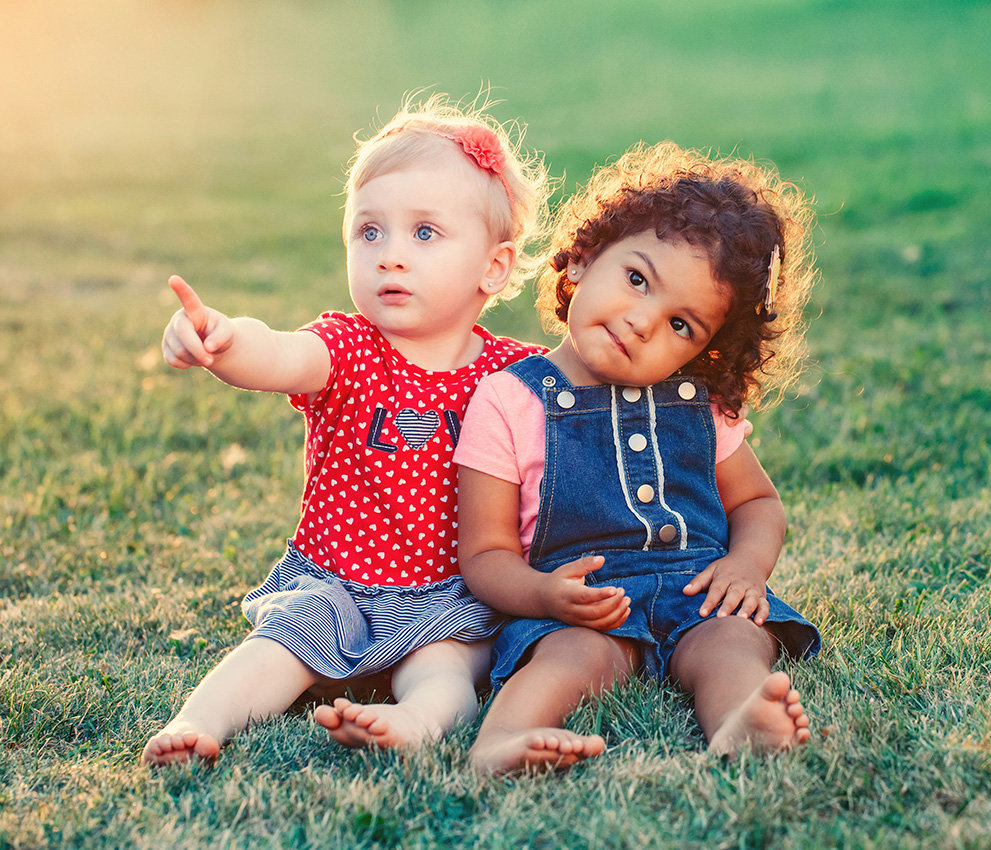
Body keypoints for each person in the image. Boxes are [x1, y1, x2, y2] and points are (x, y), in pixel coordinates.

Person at [141, 94, 550, 765]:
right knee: (273, 650)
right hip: (335, 586)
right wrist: (222, 338)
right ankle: (199, 723)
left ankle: (414, 722)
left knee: (451, 668)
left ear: (494, 267)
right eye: (370, 232)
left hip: (448, 595)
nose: (390, 255)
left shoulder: (513, 375)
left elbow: (588, 403)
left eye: (424, 233)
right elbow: (275, 353)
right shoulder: (348, 346)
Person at [455, 141, 822, 774]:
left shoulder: (699, 407)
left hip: (697, 590)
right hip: (584, 602)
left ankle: (739, 724)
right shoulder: (510, 401)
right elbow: (483, 556)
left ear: (706, 351)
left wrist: (746, 566)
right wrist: (545, 597)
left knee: (734, 640)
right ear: (583, 259)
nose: (644, 321)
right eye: (636, 279)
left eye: (683, 324)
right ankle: (502, 740)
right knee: (571, 658)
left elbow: (758, 502)